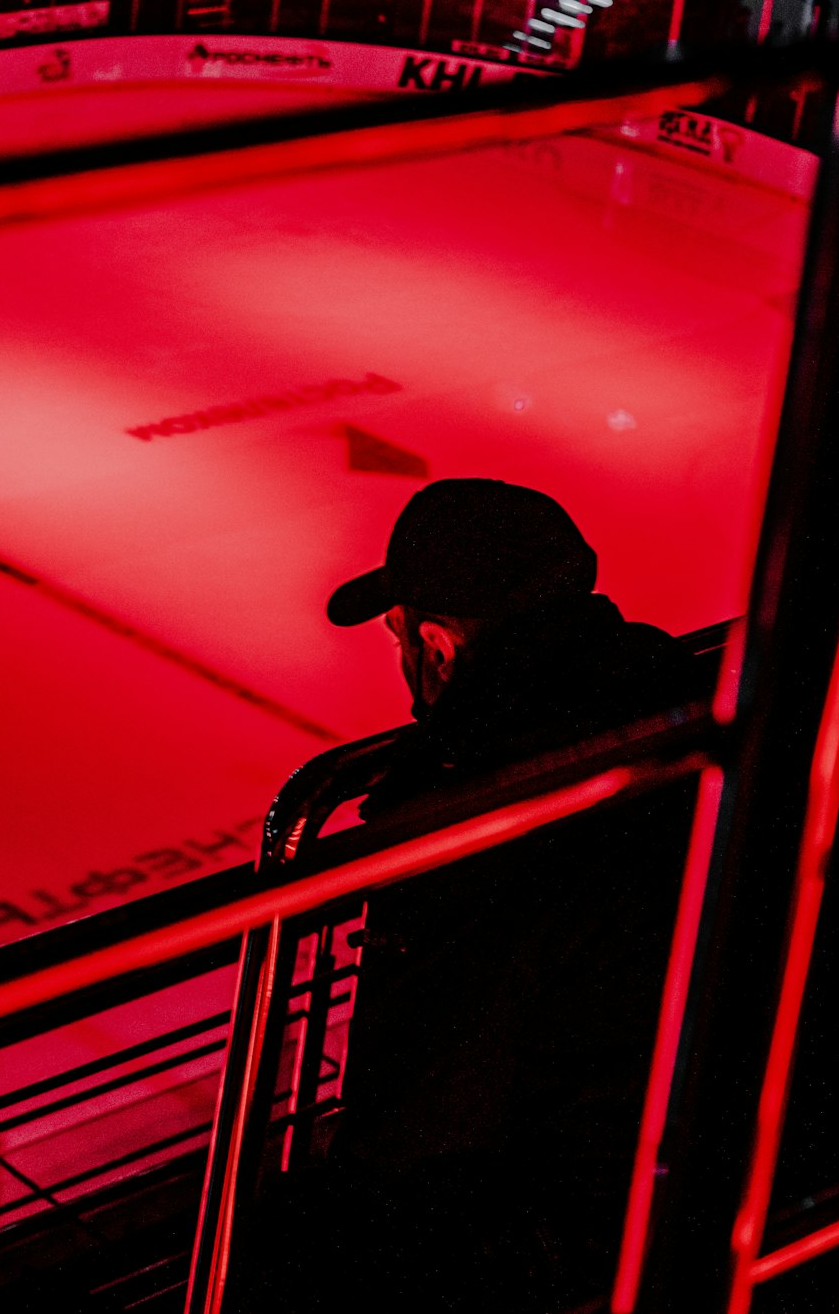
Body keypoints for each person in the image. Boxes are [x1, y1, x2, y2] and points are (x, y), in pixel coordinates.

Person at [256, 479, 704, 1312]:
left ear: (439, 647)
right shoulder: (682, 694)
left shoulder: (464, 824)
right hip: (699, 1136)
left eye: (397, 637)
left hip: (572, 1215)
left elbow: (425, 1111)